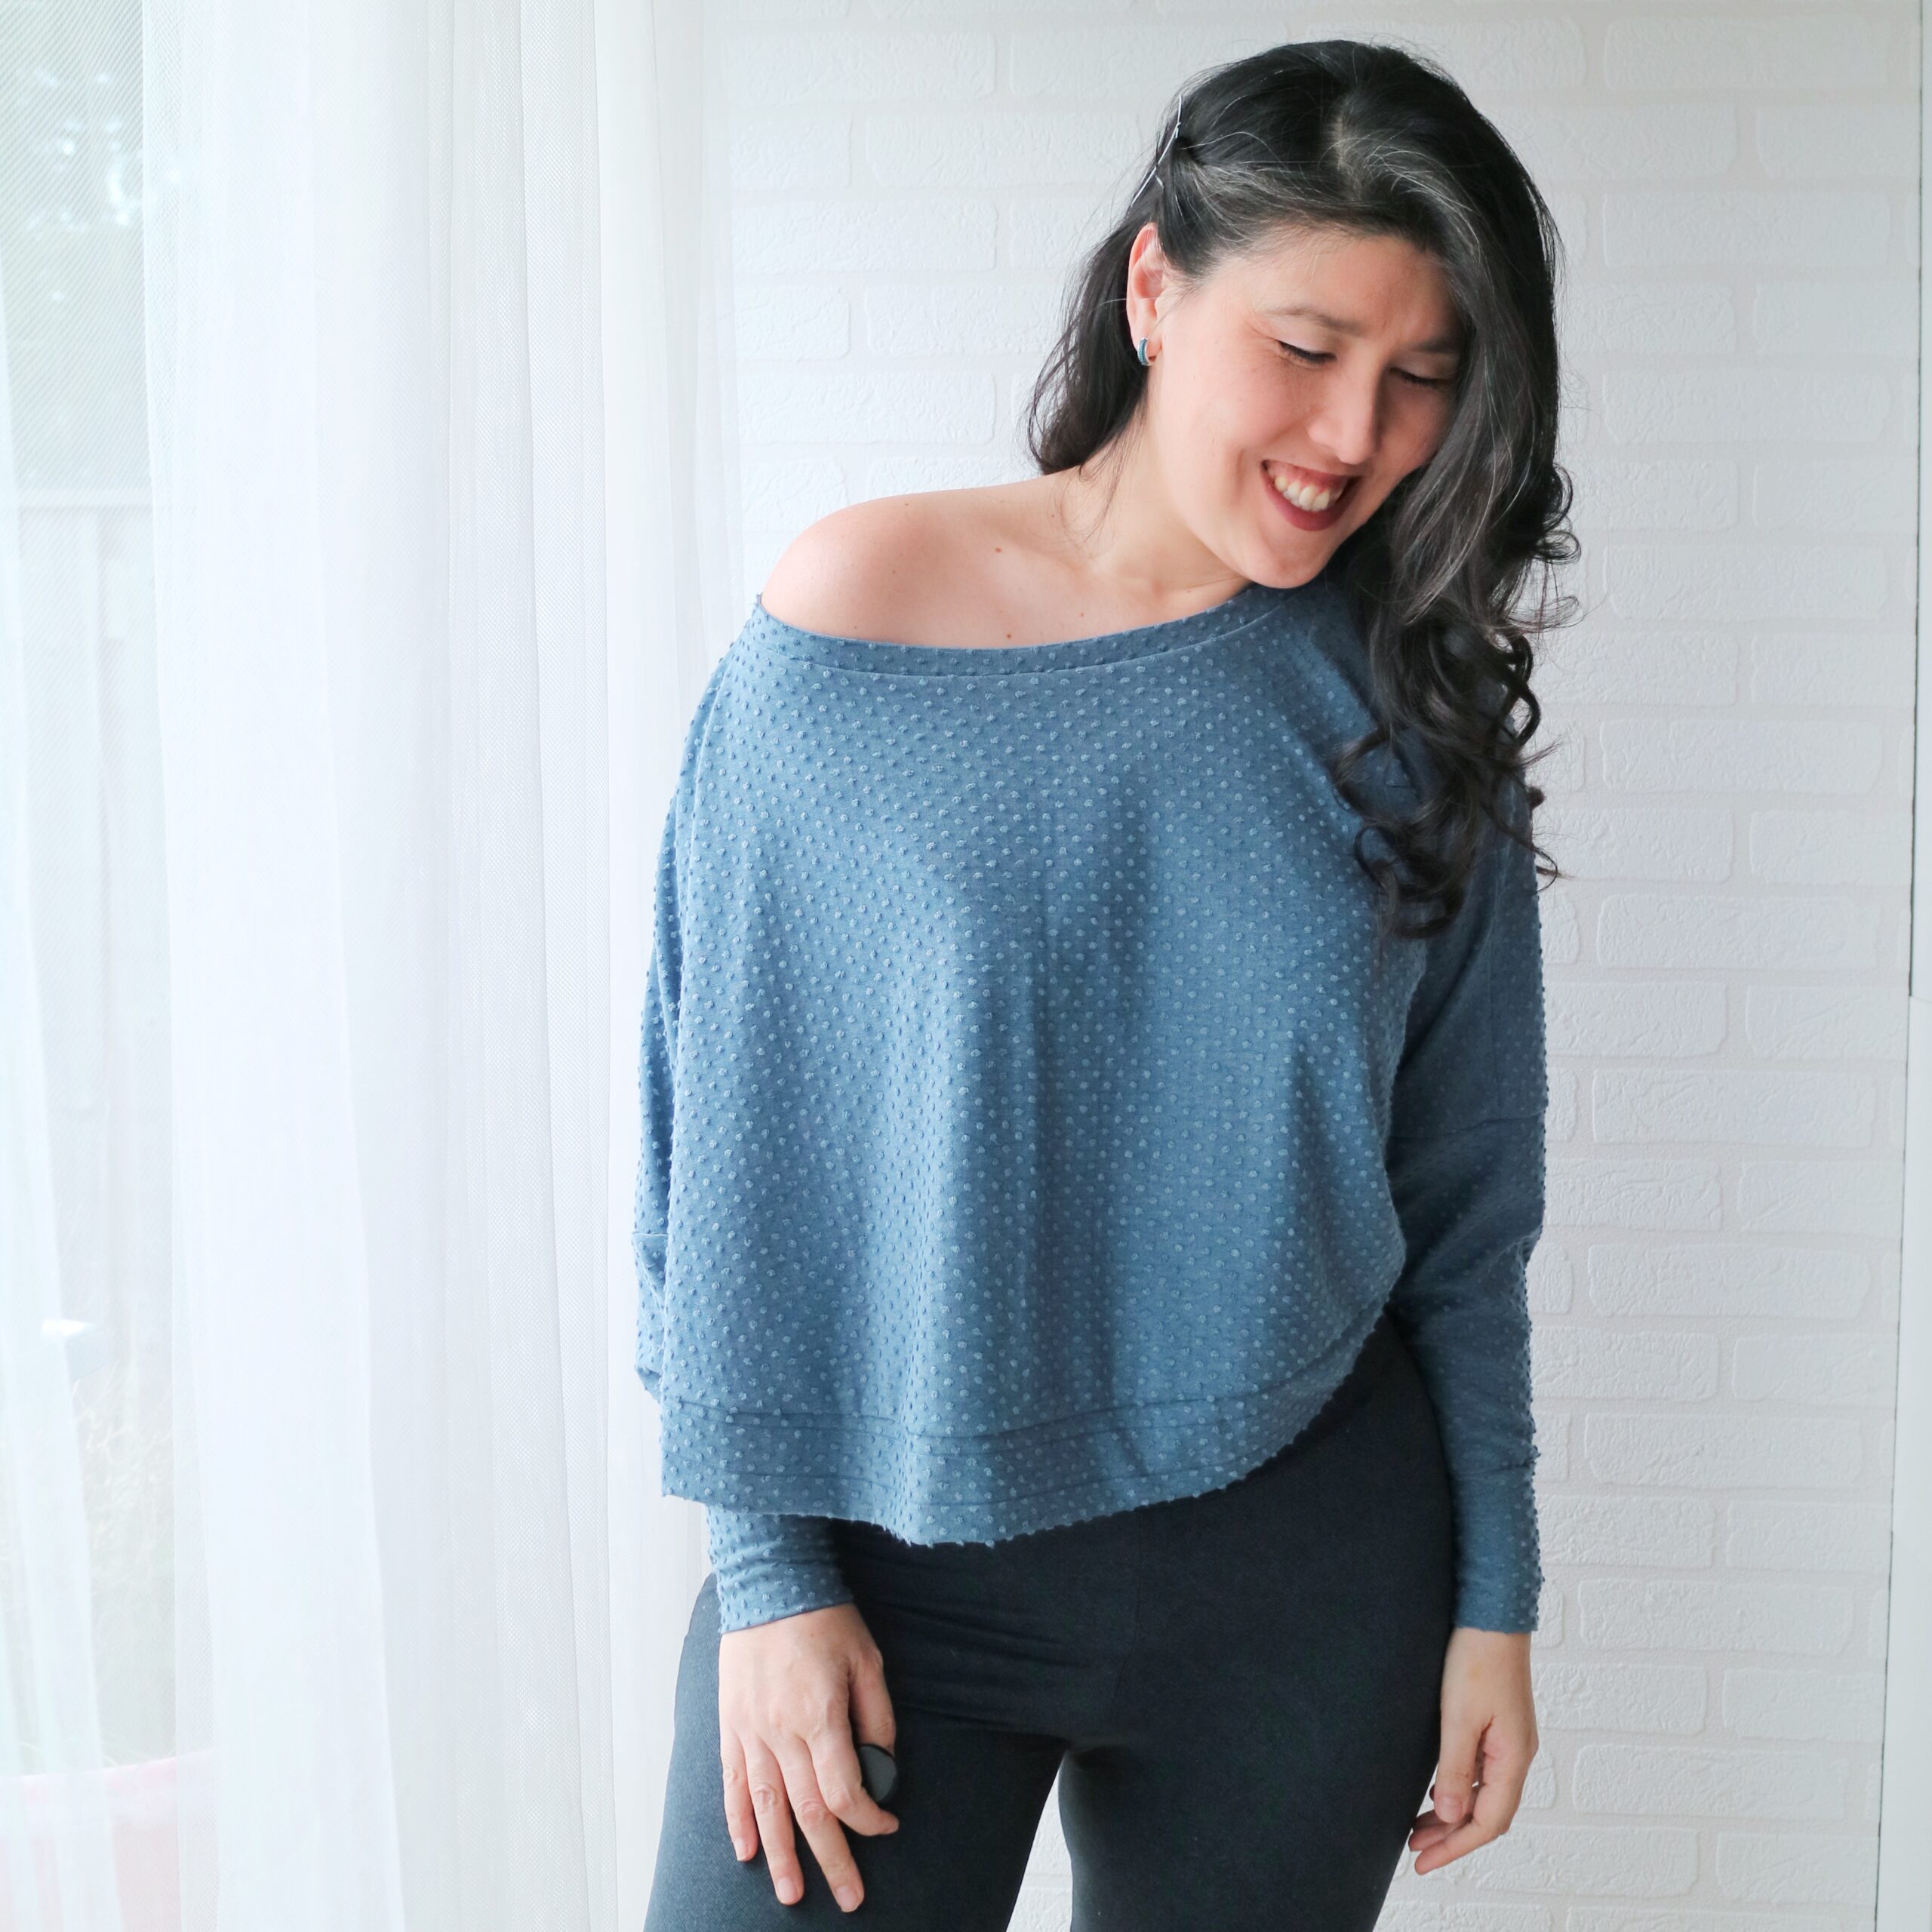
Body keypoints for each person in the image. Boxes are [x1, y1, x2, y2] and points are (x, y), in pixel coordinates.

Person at [636, 35, 1575, 1930]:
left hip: (1306, 1582)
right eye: (1304, 347)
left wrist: (1495, 1599)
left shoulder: (1401, 701)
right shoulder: (855, 615)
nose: (1352, 434)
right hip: (895, 1571)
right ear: (1155, 287)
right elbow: (725, 1145)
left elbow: (1465, 1213)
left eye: (1421, 377)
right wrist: (768, 1572)